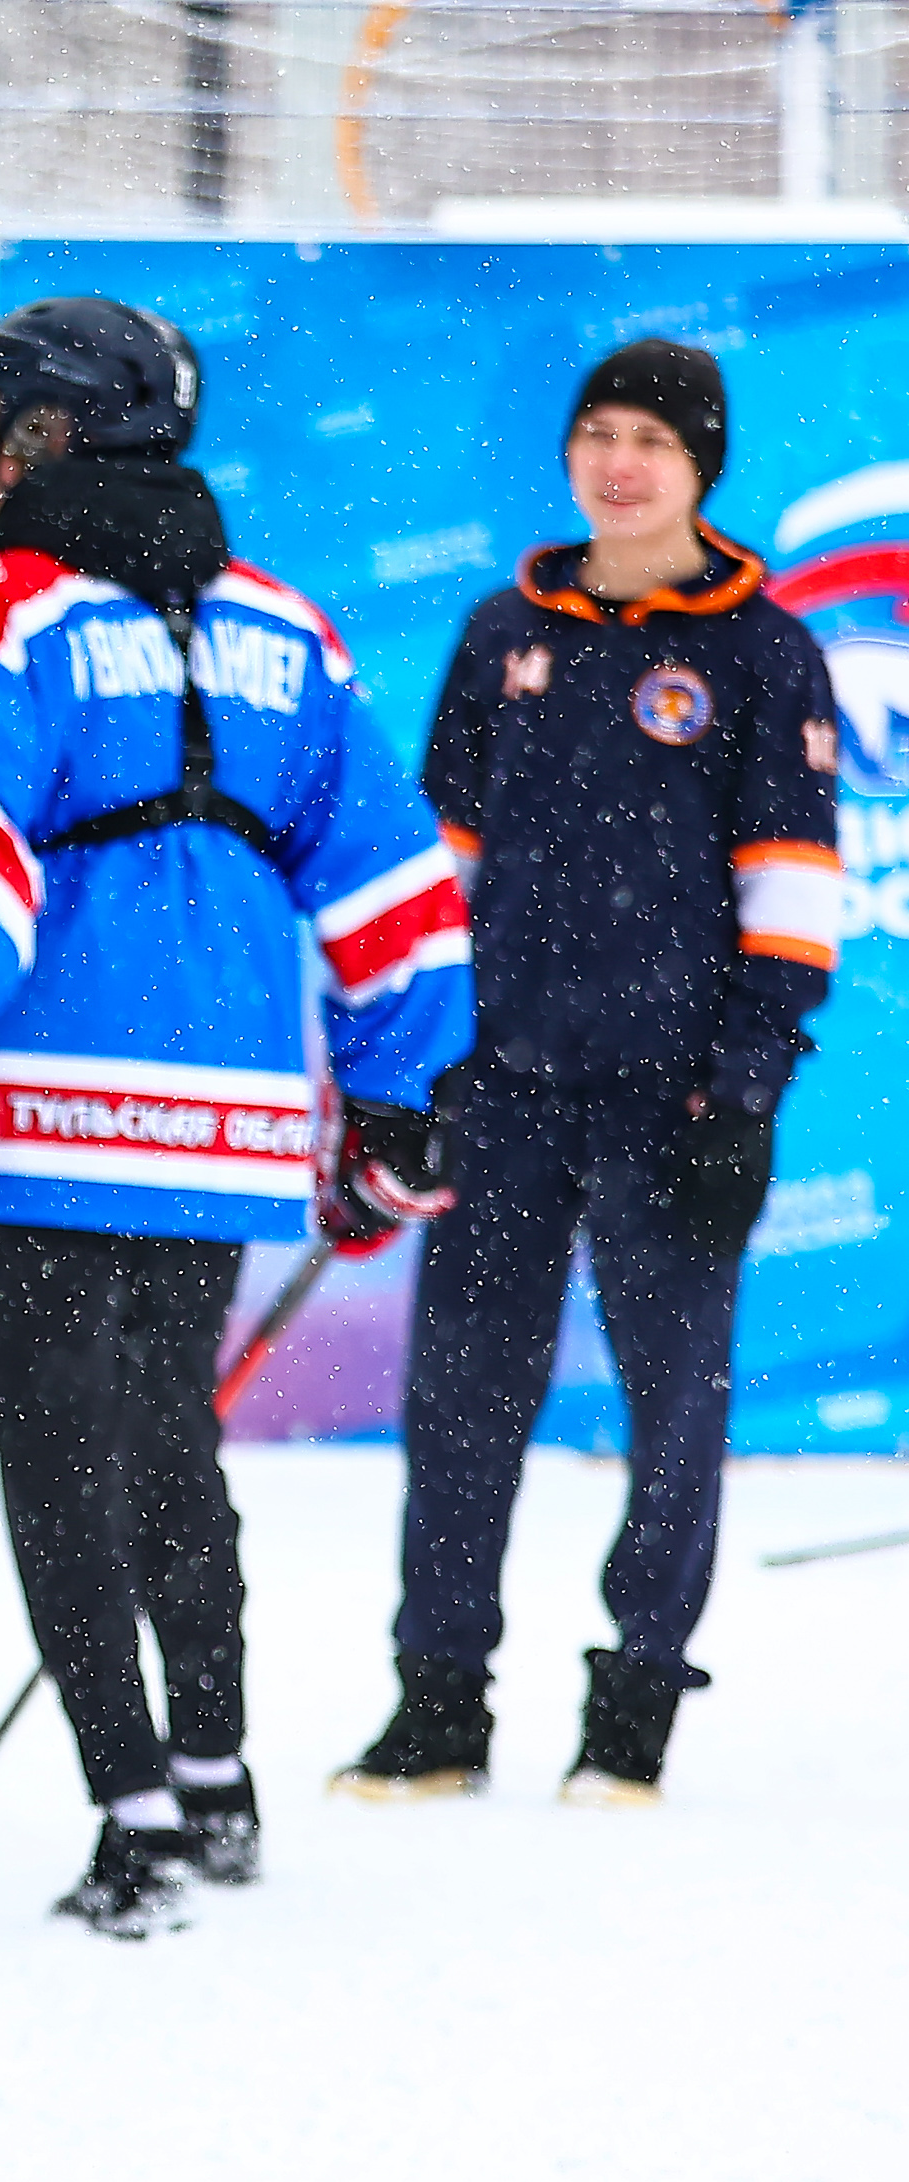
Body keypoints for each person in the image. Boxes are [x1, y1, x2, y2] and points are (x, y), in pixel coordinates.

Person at [0, 296, 471, 1935]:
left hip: (33, 1109)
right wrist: (395, 1094)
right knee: (170, 1448)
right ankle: (220, 1775)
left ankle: (134, 1815)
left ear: (48, 436)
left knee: (56, 1467)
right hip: (217, 1116)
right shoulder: (286, 627)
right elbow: (390, 880)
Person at [340, 340, 837, 1806]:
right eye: (599, 435)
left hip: (669, 1103)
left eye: (654, 444)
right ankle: (439, 1707)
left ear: (702, 470)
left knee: (673, 1408)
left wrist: (742, 1095)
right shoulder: (506, 630)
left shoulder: (761, 649)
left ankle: (634, 1713)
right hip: (504, 1090)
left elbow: (793, 891)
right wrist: (414, 1069)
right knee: (460, 1400)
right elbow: (442, 876)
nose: (621, 464)